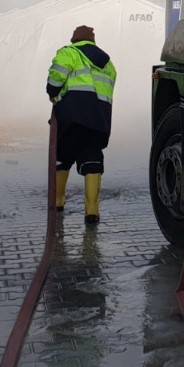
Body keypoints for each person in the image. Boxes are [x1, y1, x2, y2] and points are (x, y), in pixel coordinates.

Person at [45, 25, 116, 224]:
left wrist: (52, 92)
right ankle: (92, 212)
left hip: (72, 115)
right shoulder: (108, 63)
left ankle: (58, 202)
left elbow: (56, 77)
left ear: (75, 40)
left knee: (63, 156)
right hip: (98, 119)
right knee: (92, 159)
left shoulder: (69, 53)